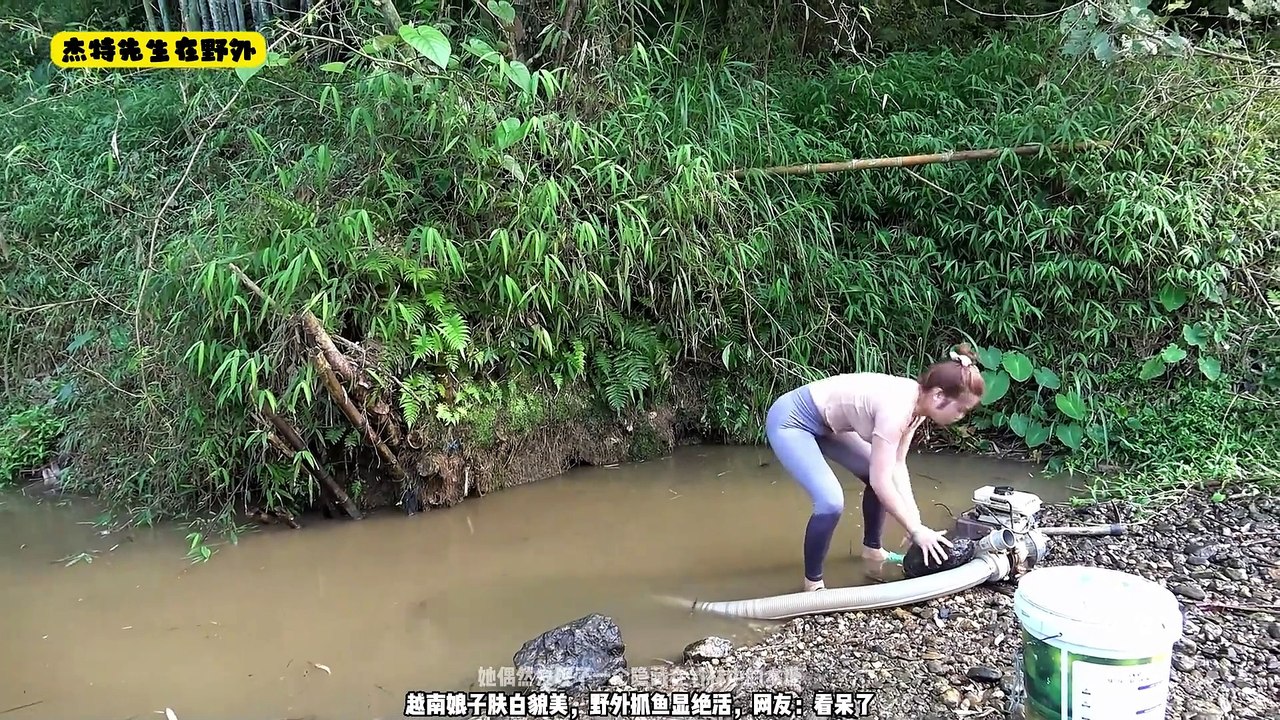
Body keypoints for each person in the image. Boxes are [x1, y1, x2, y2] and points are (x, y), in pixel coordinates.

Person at [765, 344, 986, 592]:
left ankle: (873, 551)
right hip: (792, 420)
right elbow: (882, 482)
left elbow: (896, 466)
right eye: (961, 409)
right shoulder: (896, 411)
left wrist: (915, 523)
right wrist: (915, 530)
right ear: (938, 396)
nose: (960, 416)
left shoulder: (918, 407)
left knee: (878, 474)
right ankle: (813, 585)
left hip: (828, 425)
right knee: (830, 502)